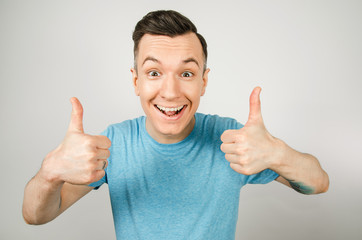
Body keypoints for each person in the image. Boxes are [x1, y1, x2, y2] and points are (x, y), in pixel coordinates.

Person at [22, 10, 329, 239]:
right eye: (154, 73)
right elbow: (35, 216)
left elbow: (318, 183)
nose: (170, 92)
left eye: (186, 74)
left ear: (204, 81)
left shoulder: (231, 139)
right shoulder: (113, 144)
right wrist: (50, 171)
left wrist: (278, 153)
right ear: (136, 81)